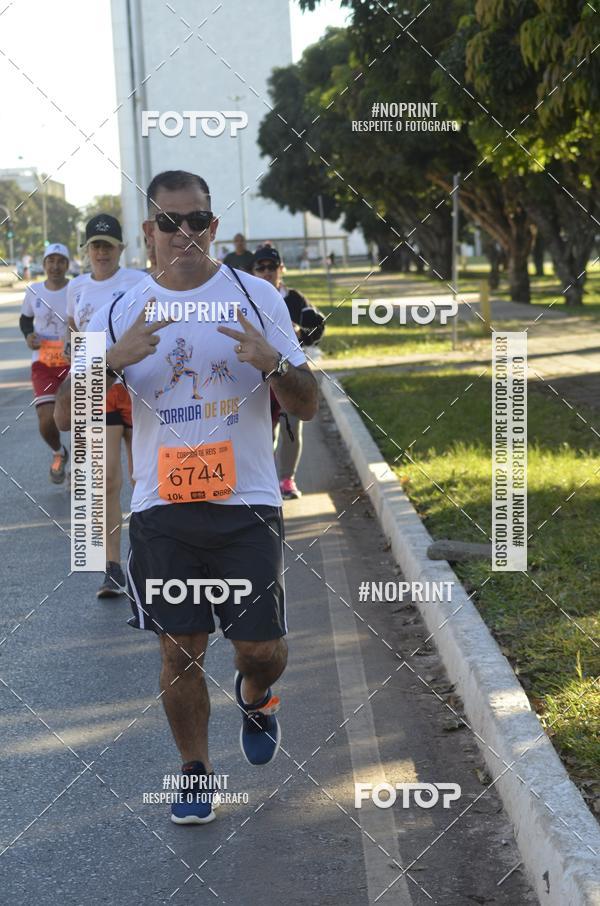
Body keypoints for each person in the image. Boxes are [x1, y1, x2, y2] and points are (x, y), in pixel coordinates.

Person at [55, 170, 318, 825]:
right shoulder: (118, 309)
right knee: (180, 649)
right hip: (161, 511)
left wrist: (274, 363)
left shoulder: (259, 298)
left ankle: (257, 697)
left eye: (196, 221)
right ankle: (195, 772)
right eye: (169, 222)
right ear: (149, 232)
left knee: (260, 651)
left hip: (248, 503)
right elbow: (66, 414)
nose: (184, 234)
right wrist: (109, 362)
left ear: (213, 227)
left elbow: (308, 405)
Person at [66, 214, 146, 599]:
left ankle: (148, 559)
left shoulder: (138, 282)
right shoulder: (77, 288)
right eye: (94, 245)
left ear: (120, 249)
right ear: (87, 250)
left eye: (107, 246)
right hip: (100, 388)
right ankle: (112, 566)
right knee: (107, 479)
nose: (101, 252)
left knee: (143, 477)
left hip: (141, 387)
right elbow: (75, 332)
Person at [252, 245, 325, 500]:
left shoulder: (294, 299)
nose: (267, 272)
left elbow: (317, 328)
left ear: (281, 269)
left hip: (289, 374)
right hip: (257, 378)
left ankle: (286, 479)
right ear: (253, 271)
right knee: (261, 430)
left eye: (272, 267)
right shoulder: (246, 298)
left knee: (290, 426)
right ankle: (265, 478)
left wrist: (300, 334)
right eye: (261, 267)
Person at [19, 243, 71, 483]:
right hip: (43, 363)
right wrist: (28, 335)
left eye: (61, 261)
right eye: (51, 261)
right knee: (46, 419)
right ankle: (59, 452)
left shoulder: (76, 289)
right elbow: (25, 319)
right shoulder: (34, 290)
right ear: (44, 264)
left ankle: (81, 469)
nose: (55, 266)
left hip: (73, 361)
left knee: (80, 418)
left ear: (68, 265)